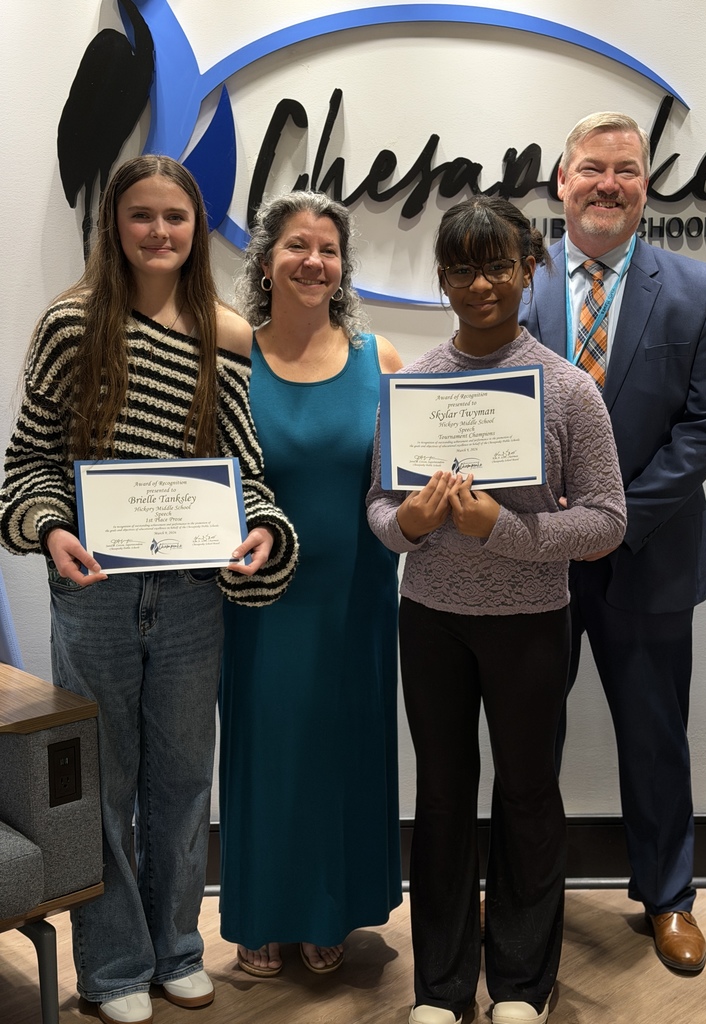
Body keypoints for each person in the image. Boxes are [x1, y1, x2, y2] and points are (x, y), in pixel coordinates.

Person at [0, 155, 298, 1024]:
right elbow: (28, 463)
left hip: (192, 598)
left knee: (179, 780)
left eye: (176, 217)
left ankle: (176, 949)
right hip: (92, 591)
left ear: (195, 229)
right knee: (102, 781)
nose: (160, 232)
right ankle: (115, 967)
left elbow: (248, 472)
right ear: (114, 225)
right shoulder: (69, 324)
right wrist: (53, 529)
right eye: (143, 215)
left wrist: (262, 530)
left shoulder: (224, 332)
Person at [366, 196, 627, 1024]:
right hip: (432, 620)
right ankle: (440, 988)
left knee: (525, 794)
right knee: (442, 799)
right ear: (442, 280)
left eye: (499, 266)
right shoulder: (414, 387)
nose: (482, 284)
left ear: (529, 269)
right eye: (463, 269)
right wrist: (406, 524)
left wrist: (502, 530)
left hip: (529, 626)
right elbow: (379, 505)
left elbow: (607, 522)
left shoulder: (568, 388)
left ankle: (520, 983)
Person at [520, 111, 706, 972]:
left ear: (646, 187)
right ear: (561, 182)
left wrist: (616, 522)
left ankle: (669, 896)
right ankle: (529, 899)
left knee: (656, 736)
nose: (608, 183)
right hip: (534, 560)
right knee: (531, 739)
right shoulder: (519, 284)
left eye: (626, 169)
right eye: (591, 168)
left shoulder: (696, 289)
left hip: (648, 556)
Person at [218, 191, 403, 979]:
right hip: (261, 599)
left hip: (358, 593)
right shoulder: (230, 356)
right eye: (297, 245)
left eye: (328, 250)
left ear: (342, 267)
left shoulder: (382, 359)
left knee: (343, 747)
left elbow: (402, 480)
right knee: (267, 751)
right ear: (266, 261)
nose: (313, 261)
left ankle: (331, 910)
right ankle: (264, 912)